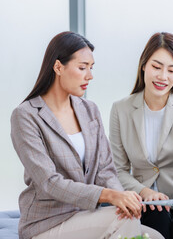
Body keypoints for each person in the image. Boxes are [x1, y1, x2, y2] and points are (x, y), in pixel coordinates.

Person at [10, 31, 163, 239]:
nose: (89, 76)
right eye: (82, 68)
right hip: (47, 224)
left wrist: (124, 199)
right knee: (123, 221)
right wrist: (109, 195)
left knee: (155, 236)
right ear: (58, 67)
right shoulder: (26, 116)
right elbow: (49, 182)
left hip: (86, 216)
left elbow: (105, 171)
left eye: (91, 68)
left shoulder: (90, 110)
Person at [109, 32, 173, 239]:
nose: (163, 77)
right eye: (156, 67)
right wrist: (144, 192)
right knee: (155, 219)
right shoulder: (121, 109)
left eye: (172, 70)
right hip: (143, 199)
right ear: (143, 65)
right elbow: (117, 170)